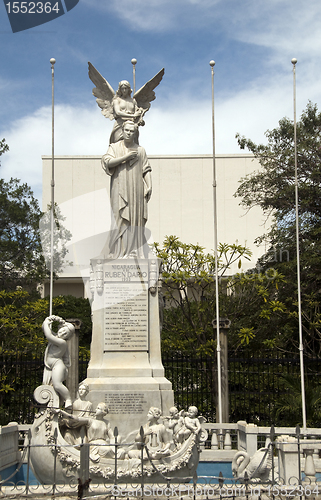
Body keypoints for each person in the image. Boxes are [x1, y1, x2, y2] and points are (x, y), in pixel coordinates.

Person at [102, 120, 152, 258]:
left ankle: (133, 251)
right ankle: (117, 252)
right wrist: (125, 157)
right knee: (118, 217)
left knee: (135, 219)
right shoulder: (114, 147)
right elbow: (107, 162)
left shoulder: (140, 150)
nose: (129, 133)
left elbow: (146, 169)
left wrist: (149, 185)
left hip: (136, 190)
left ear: (135, 133)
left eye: (132, 131)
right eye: (127, 131)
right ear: (122, 131)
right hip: (119, 188)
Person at [42, 315, 75, 409]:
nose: (63, 333)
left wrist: (47, 320)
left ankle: (68, 399)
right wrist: (50, 320)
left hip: (57, 364)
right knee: (51, 385)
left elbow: (48, 335)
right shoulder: (56, 336)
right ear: (60, 328)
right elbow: (45, 329)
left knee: (57, 384)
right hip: (50, 366)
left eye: (66, 334)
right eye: (63, 330)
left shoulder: (62, 342)